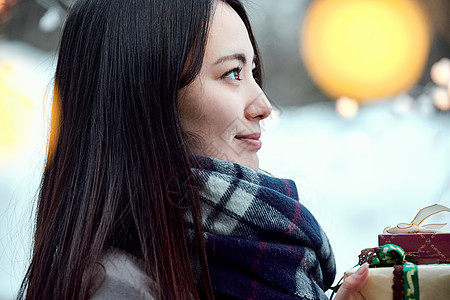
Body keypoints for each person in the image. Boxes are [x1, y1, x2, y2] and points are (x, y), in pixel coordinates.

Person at [18, 0, 368, 299]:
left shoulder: (259, 258)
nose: (262, 105)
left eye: (252, 72)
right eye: (232, 73)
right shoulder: (115, 287)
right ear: (150, 96)